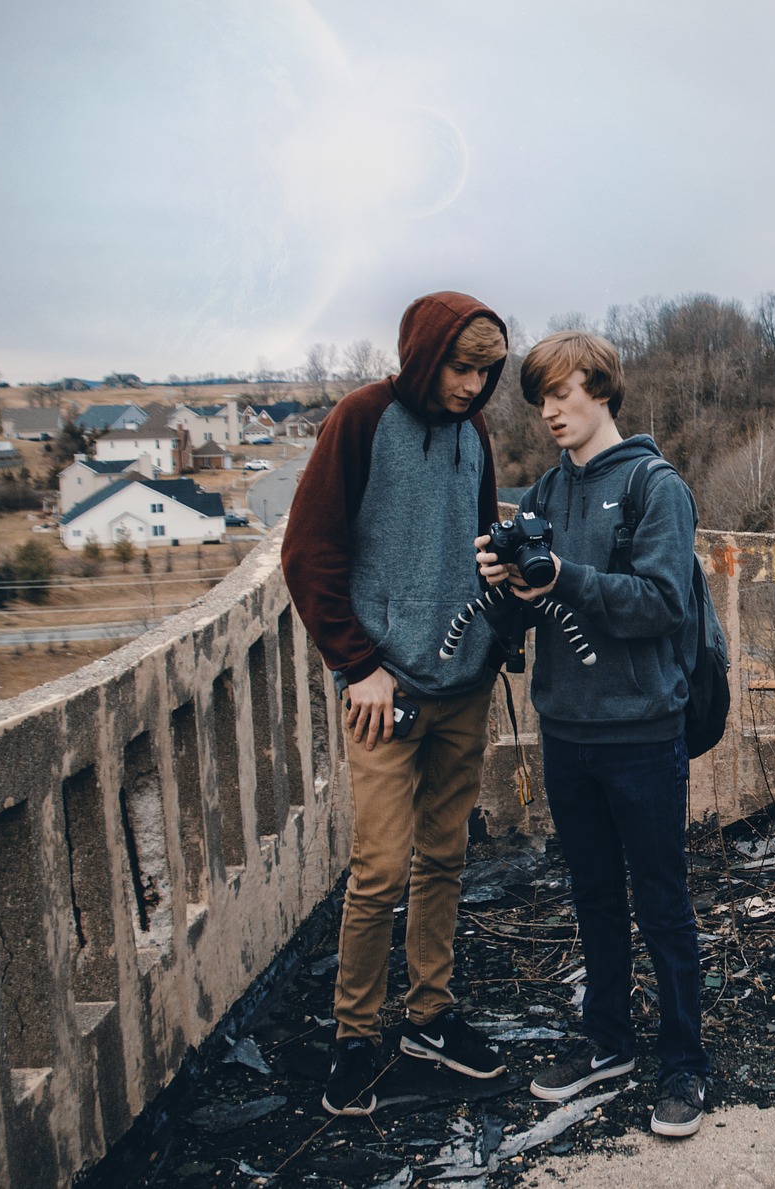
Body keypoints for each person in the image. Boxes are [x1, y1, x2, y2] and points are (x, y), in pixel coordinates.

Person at [475, 330, 713, 1138]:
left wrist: (561, 577)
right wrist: (504, 584)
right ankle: (607, 1037)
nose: (547, 410)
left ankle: (684, 1063)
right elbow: (531, 612)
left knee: (662, 899)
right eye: (538, 398)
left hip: (643, 731)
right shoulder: (543, 490)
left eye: (561, 392)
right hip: (566, 728)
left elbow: (661, 603)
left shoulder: (655, 486)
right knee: (595, 897)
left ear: (601, 389)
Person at [282, 291, 512, 1116]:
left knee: (445, 857)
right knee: (379, 868)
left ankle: (430, 1015)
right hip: (386, 690)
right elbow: (307, 550)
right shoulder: (360, 418)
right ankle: (354, 1034)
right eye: (461, 366)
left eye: (486, 372)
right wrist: (358, 665)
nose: (472, 385)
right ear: (424, 354)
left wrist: (502, 608)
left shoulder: (474, 433)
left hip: (463, 686)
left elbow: (481, 540)